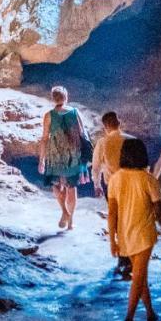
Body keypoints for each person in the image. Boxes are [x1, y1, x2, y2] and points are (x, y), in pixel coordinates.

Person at [108, 138, 161, 321]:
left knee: (140, 274)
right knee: (139, 276)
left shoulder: (115, 179)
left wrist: (112, 240)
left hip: (125, 234)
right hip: (144, 234)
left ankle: (150, 312)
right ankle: (129, 317)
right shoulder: (147, 179)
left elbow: (112, 213)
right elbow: (158, 209)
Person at [37, 86, 89, 230]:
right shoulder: (74, 112)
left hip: (55, 155)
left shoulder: (49, 115)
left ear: (53, 98)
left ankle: (64, 212)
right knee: (71, 188)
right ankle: (70, 222)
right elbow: (82, 133)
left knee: (56, 185)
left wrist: (41, 159)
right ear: (66, 97)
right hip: (73, 155)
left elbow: (44, 139)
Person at [91, 112, 132, 278]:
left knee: (119, 221)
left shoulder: (103, 142)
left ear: (105, 127)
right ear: (119, 122)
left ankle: (124, 259)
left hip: (113, 187)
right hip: (131, 186)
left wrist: (97, 184)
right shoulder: (131, 140)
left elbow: (96, 166)